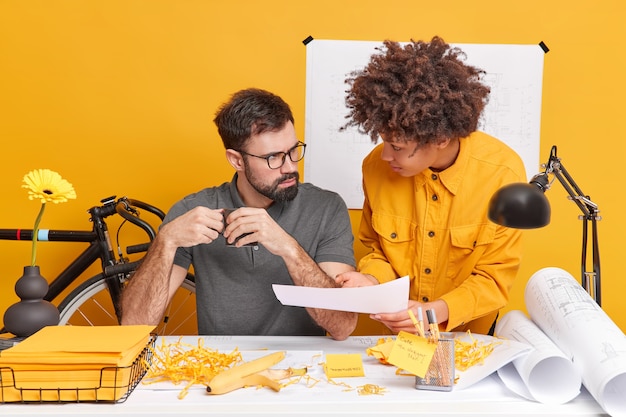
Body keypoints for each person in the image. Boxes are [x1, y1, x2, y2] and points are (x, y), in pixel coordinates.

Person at [121, 88, 357, 340]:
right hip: (222, 364)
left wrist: (288, 248)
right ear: (236, 160)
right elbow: (133, 326)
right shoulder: (194, 211)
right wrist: (165, 241)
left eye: (293, 151)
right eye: (273, 157)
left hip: (304, 367)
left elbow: (342, 327)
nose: (290, 167)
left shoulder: (326, 208)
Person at [335, 36, 526, 335]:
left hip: (467, 340)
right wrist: (371, 280)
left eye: (397, 146)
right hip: (395, 338)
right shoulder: (376, 168)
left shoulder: (503, 175)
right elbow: (378, 251)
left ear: (440, 139)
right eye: (385, 141)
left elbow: (494, 276)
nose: (385, 156)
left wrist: (439, 312)